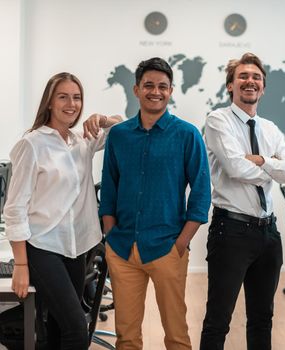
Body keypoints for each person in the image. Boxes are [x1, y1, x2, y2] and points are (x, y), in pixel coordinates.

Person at [99, 57, 211, 350]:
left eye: (163, 86)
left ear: (171, 91)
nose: (155, 91)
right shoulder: (120, 135)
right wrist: (110, 233)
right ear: (136, 89)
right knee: (126, 337)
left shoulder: (187, 134)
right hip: (122, 249)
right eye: (148, 85)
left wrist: (181, 244)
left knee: (176, 335)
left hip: (166, 248)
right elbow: (109, 187)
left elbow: (200, 194)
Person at [4, 72, 121, 349]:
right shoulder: (32, 144)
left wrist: (102, 119)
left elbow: (124, 128)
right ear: (49, 103)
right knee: (77, 330)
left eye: (77, 97)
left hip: (77, 247)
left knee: (58, 330)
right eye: (63, 97)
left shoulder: (82, 141)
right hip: (43, 247)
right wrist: (20, 265)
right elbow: (15, 208)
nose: (72, 104)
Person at [200, 52, 285, 350]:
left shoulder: (270, 129)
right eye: (243, 76)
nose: (250, 81)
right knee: (218, 320)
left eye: (256, 77)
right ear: (230, 85)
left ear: (263, 87)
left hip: (268, 234)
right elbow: (234, 167)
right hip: (231, 231)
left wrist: (259, 160)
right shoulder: (218, 120)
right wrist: (272, 168)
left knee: (262, 318)